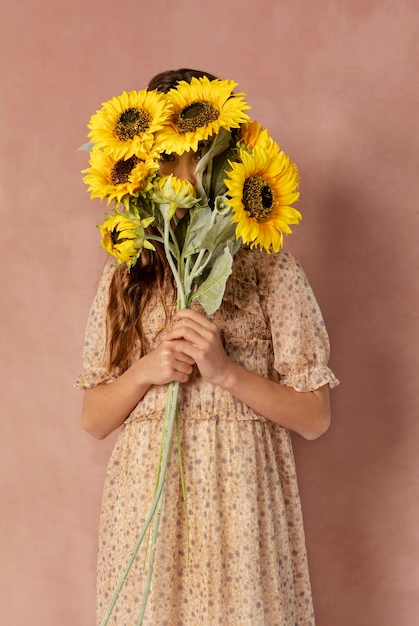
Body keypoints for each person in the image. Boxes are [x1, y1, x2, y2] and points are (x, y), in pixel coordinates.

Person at [76, 68, 339, 625]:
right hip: (146, 500)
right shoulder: (127, 274)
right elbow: (95, 419)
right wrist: (148, 369)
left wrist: (225, 373)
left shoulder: (271, 269)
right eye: (168, 156)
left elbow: (315, 416)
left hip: (242, 502)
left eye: (199, 151)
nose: (184, 171)